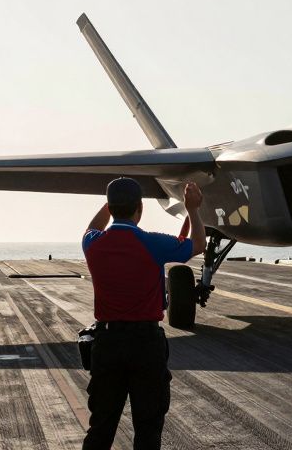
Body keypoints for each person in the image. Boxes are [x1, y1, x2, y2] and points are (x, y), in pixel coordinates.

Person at [81, 178, 206, 450]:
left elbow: (92, 227)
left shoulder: (93, 244)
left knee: (100, 427)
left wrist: (111, 205)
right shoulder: (153, 243)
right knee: (148, 430)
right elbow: (198, 244)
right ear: (140, 207)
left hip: (107, 343)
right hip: (146, 345)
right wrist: (192, 209)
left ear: (111, 208)